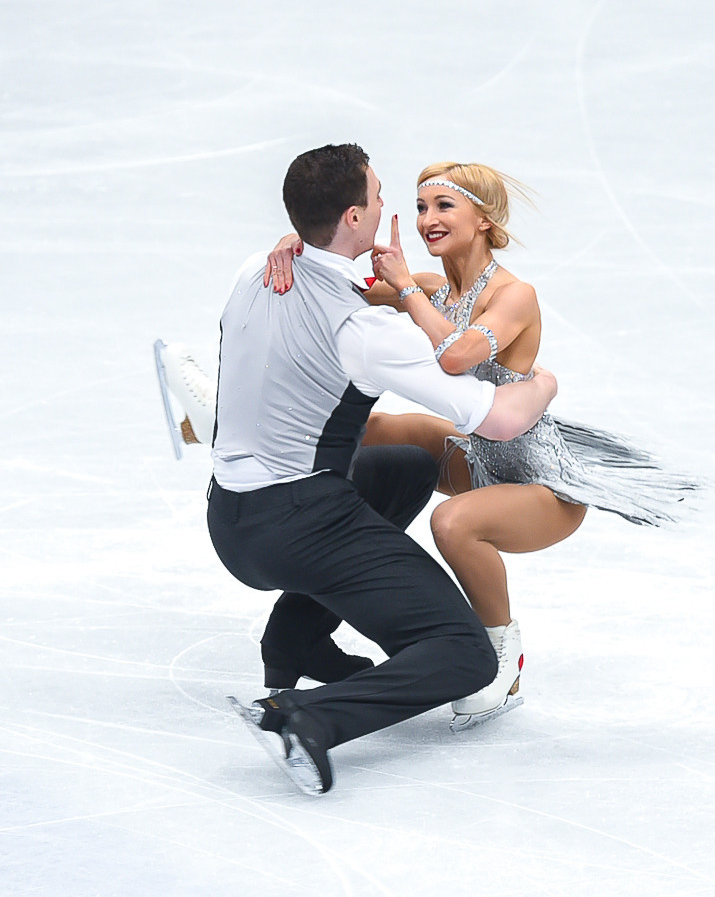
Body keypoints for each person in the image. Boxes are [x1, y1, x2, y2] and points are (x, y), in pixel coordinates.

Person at [201, 143, 558, 794]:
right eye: (379, 197)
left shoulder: (256, 267)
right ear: (355, 218)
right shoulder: (364, 328)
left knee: (401, 468)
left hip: (227, 517)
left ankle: (294, 644)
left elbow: (311, 249)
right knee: (463, 654)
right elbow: (498, 420)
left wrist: (299, 238)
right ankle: (307, 719)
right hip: (299, 523)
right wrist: (543, 388)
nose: (393, 207)